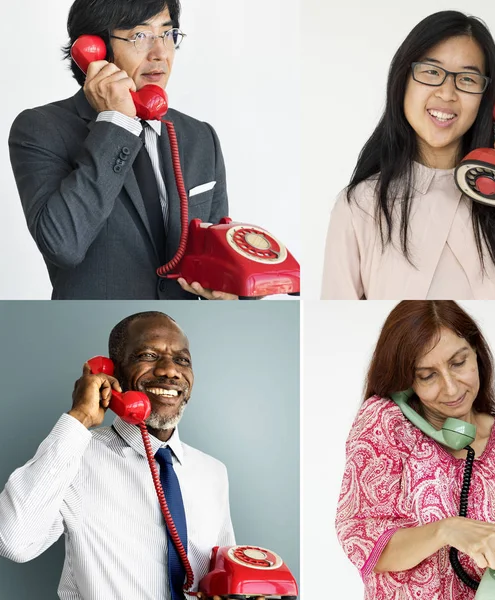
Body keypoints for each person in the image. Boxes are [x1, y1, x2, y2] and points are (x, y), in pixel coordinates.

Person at [321, 11, 495, 300]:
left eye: (467, 79)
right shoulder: (359, 207)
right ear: (403, 80)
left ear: (487, 97)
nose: (447, 93)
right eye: (431, 72)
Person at [0, 311, 251, 599]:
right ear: (112, 373)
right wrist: (79, 418)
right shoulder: (76, 455)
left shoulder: (213, 472)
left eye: (182, 360)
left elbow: (222, 578)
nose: (170, 371)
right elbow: (13, 541)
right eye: (148, 355)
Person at [9, 0, 237, 300]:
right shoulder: (40, 129)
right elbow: (63, 245)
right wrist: (116, 123)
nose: (160, 54)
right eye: (140, 36)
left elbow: (216, 251)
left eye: (168, 35)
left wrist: (234, 291)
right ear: (95, 48)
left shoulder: (199, 136)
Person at [335, 301, 495, 599]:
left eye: (458, 363)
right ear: (405, 383)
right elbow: (363, 541)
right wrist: (447, 530)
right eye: (427, 376)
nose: (452, 389)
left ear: (477, 354)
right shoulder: (385, 423)